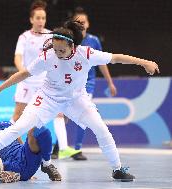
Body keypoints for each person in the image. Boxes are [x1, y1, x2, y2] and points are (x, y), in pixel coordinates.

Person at [0, 20, 159, 182]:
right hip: (48, 98)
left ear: (72, 46)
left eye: (62, 50)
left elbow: (116, 58)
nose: (57, 53)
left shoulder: (86, 54)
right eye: (55, 49)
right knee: (19, 127)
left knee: (101, 129)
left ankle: (117, 169)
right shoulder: (48, 56)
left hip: (76, 99)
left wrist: (144, 62)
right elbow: (24, 73)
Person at [12, 0, 78, 159]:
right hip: (27, 82)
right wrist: (24, 73)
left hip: (45, 83)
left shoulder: (51, 37)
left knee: (59, 114)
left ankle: (63, 148)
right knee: (17, 116)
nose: (41, 21)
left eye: (43, 18)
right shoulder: (24, 37)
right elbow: (17, 58)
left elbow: (61, 57)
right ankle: (15, 145)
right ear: (31, 19)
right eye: (38, 18)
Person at [52, 7, 117, 160]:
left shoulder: (93, 41)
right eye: (78, 22)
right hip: (67, 82)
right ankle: (59, 147)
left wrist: (110, 82)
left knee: (84, 114)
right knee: (63, 116)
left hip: (87, 83)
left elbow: (103, 62)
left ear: (88, 24)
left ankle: (77, 149)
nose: (81, 24)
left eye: (84, 22)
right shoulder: (66, 40)